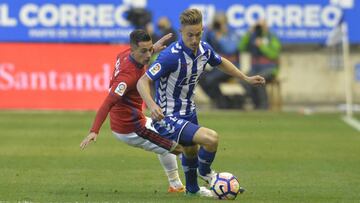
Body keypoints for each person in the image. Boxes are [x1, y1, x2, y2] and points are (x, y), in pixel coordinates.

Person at [137, 8, 265, 197]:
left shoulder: (204, 49)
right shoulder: (171, 56)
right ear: (181, 32)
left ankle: (192, 191)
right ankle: (205, 172)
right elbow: (143, 81)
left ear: (202, 30)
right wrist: (152, 105)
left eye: (198, 34)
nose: (194, 39)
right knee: (211, 139)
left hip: (189, 111)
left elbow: (221, 62)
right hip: (167, 116)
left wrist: (245, 78)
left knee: (190, 151)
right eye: (190, 35)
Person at [79, 30, 185, 193]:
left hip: (132, 120)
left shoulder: (125, 54)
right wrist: (94, 131)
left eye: (150, 49)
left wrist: (153, 48)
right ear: (133, 50)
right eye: (144, 51)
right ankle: (207, 180)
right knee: (180, 149)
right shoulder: (127, 76)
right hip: (133, 128)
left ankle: (176, 185)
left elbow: (142, 54)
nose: (149, 55)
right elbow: (107, 103)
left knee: (167, 139)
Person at [199, 12, 242, 109]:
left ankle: (223, 103)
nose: (218, 25)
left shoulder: (232, 33)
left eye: (220, 23)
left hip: (231, 66)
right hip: (217, 66)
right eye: (216, 23)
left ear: (226, 22)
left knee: (211, 79)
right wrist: (207, 31)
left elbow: (230, 49)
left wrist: (221, 37)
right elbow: (202, 45)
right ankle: (221, 100)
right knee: (200, 76)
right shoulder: (212, 33)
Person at [238, 19, 281, 110]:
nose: (260, 28)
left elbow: (274, 54)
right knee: (243, 80)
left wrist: (262, 45)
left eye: (262, 26)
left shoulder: (271, 37)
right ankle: (256, 102)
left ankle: (264, 105)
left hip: (269, 68)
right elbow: (241, 48)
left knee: (259, 79)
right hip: (255, 68)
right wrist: (249, 33)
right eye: (259, 26)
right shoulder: (252, 36)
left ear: (267, 26)